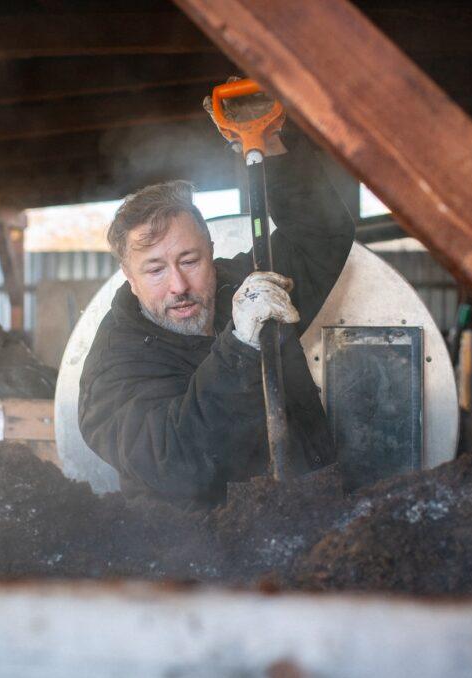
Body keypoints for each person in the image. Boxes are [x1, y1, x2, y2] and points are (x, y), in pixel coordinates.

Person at [78, 90, 356, 508]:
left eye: (189, 260)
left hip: (312, 514)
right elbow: (179, 463)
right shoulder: (113, 366)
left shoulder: (244, 286)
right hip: (198, 544)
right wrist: (240, 347)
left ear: (210, 250)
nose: (179, 285)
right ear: (130, 278)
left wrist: (270, 145)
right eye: (155, 269)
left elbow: (321, 235)